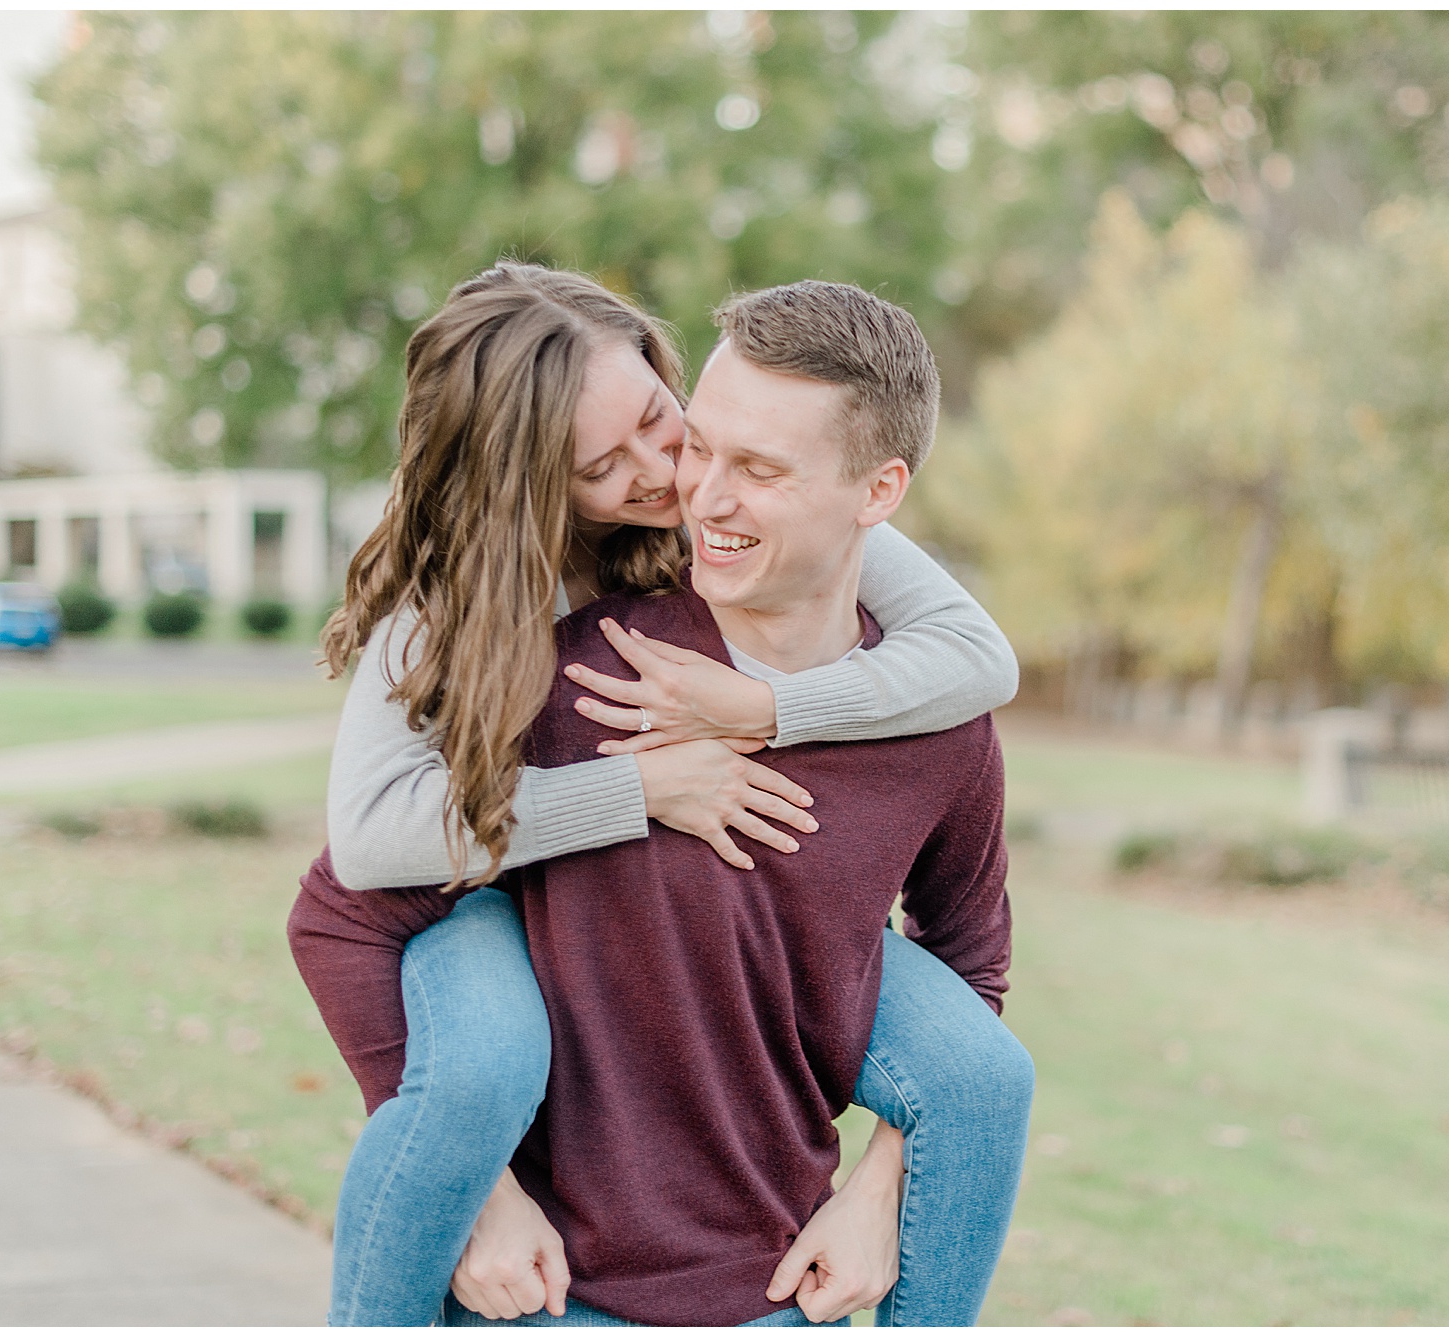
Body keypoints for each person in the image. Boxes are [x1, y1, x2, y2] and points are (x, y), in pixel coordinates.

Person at [289, 265, 1030, 1325]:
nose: (679, 481)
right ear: (538, 484)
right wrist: (633, 787)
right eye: (603, 462)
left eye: (662, 424)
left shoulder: (868, 613)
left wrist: (767, 707)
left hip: (763, 1258)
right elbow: (359, 867)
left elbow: (974, 662)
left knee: (981, 1078)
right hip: (494, 896)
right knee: (481, 1070)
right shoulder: (495, 630)